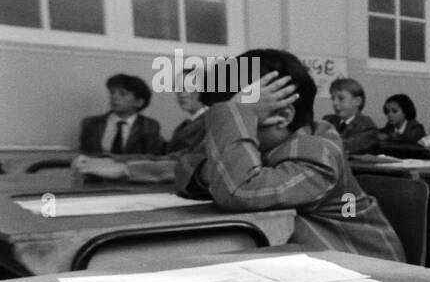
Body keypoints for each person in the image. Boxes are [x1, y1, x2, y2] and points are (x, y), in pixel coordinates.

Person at [174, 48, 404, 260]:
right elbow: (185, 167)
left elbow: (239, 190)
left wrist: (234, 116)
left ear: (282, 117)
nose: (229, 130)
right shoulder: (267, 147)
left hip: (368, 269)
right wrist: (216, 166)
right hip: (310, 262)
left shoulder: (318, 157)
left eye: (239, 119)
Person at [72, 89, 207, 183]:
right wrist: (113, 160)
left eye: (191, 88)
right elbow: (168, 156)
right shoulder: (186, 124)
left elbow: (185, 164)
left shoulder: (210, 123)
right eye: (179, 89)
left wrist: (124, 168)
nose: (182, 94)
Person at [78, 74, 166, 156]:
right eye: (112, 92)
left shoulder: (149, 126)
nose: (114, 97)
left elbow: (152, 157)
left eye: (122, 94)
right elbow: (83, 154)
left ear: (139, 102)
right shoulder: (91, 123)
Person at [323, 78, 381, 155]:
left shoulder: (367, 126)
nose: (335, 103)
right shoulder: (327, 120)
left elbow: (346, 147)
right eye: (333, 98)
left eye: (341, 98)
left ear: (357, 101)